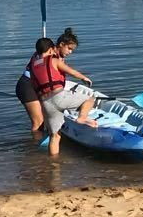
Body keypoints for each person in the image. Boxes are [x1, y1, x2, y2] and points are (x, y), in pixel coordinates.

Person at [37, 27, 98, 157]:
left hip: (45, 102)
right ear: (61, 44)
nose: (70, 52)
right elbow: (72, 72)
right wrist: (84, 78)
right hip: (58, 97)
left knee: (55, 136)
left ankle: (53, 163)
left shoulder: (36, 63)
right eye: (69, 49)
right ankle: (81, 118)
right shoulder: (55, 60)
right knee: (90, 99)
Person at [16, 37, 57, 138]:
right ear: (51, 49)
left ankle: (41, 139)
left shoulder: (37, 56)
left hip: (31, 85)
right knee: (38, 122)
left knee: (42, 119)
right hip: (27, 86)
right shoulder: (46, 60)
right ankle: (35, 144)